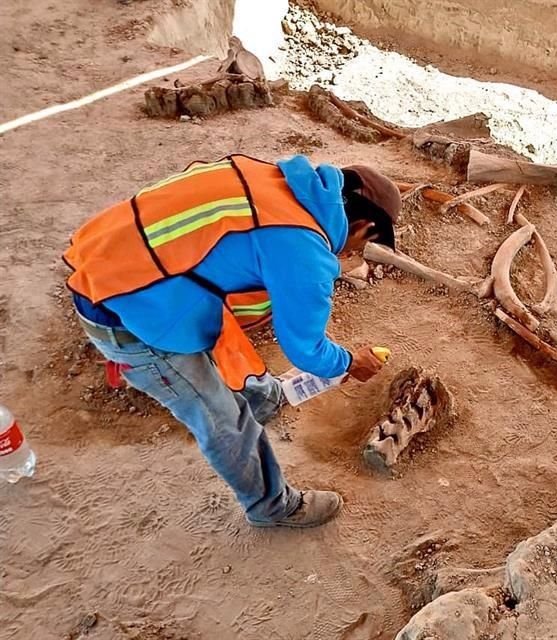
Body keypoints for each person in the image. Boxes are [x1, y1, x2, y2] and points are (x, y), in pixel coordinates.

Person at [63, 154, 400, 528]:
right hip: (126, 315)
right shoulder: (304, 251)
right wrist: (350, 362)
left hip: (113, 262)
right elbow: (306, 350)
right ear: (363, 225)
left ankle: (263, 398)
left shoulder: (274, 180)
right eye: (361, 245)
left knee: (227, 338)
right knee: (222, 419)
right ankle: (273, 507)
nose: (350, 254)